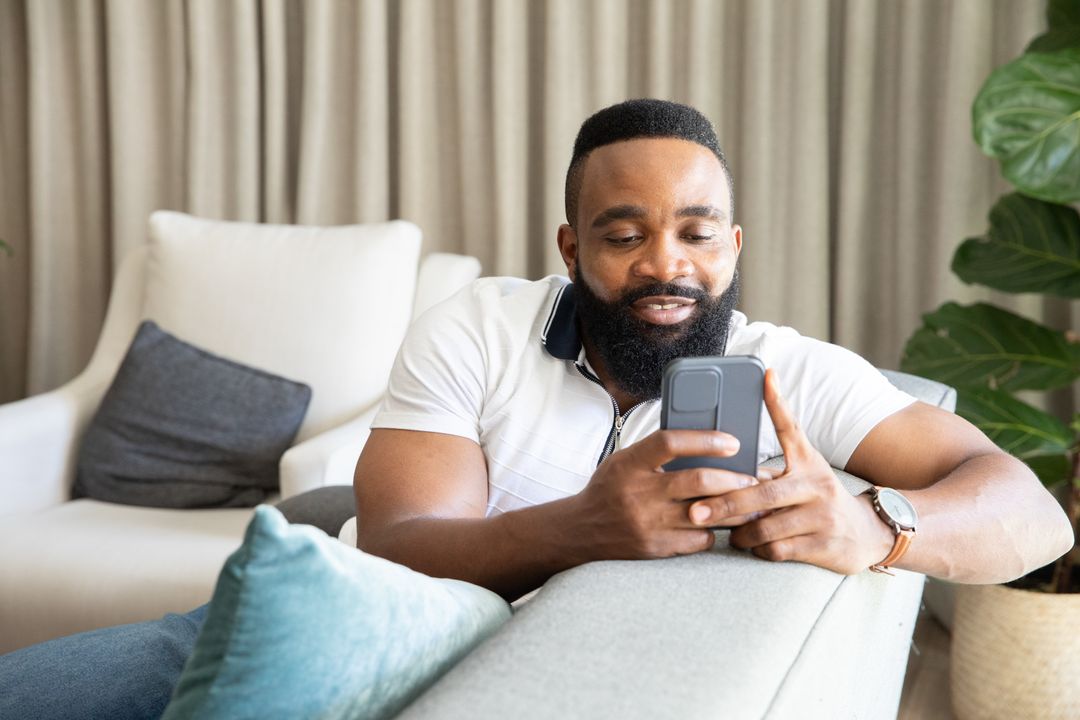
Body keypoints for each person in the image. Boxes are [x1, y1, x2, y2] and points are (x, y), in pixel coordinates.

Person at [1, 99, 1071, 718]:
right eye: (623, 233)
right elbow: (402, 548)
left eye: (699, 232)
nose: (668, 265)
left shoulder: (785, 369)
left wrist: (877, 525)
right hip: (346, 607)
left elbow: (1030, 514)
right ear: (572, 250)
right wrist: (584, 527)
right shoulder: (478, 325)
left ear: (734, 247)